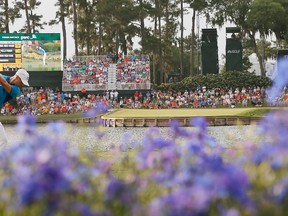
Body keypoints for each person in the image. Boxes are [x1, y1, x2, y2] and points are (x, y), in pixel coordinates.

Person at [0, 69, 30, 149]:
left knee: (3, 141)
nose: (22, 85)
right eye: (22, 82)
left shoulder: (16, 90)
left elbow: (4, 83)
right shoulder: (3, 77)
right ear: (17, 77)